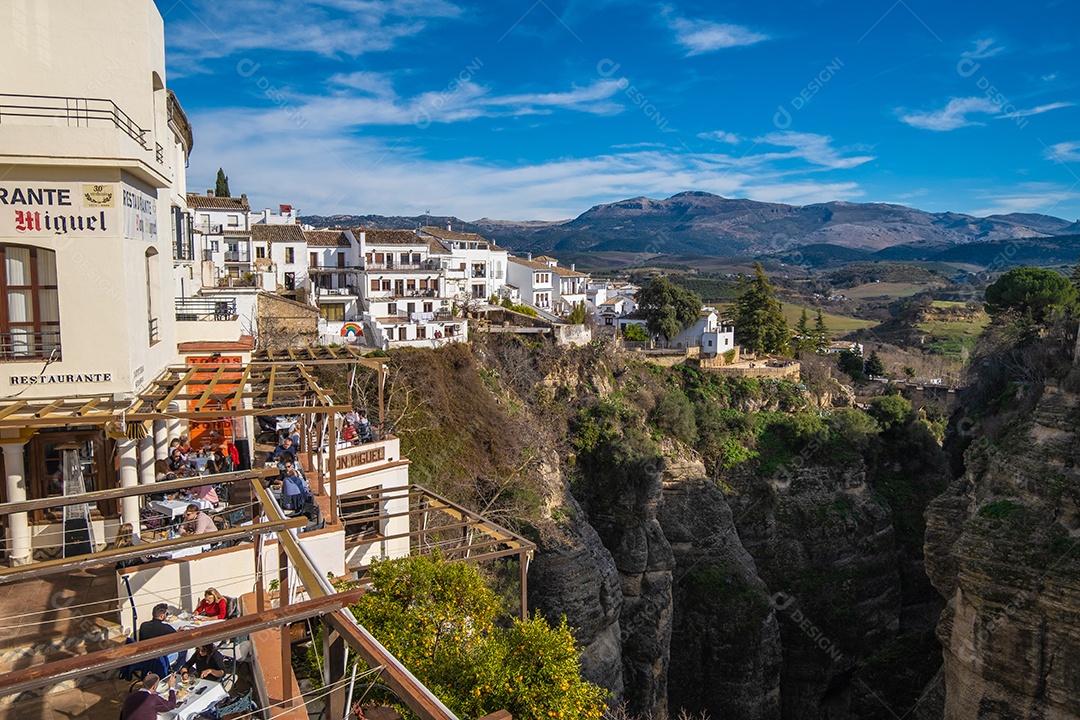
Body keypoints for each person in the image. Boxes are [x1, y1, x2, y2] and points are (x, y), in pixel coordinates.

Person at [138, 604, 180, 671]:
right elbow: (178, 638)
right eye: (166, 614)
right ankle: (173, 671)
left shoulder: (143, 625)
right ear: (162, 615)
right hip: (159, 659)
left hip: (144, 658)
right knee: (183, 651)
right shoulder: (166, 628)